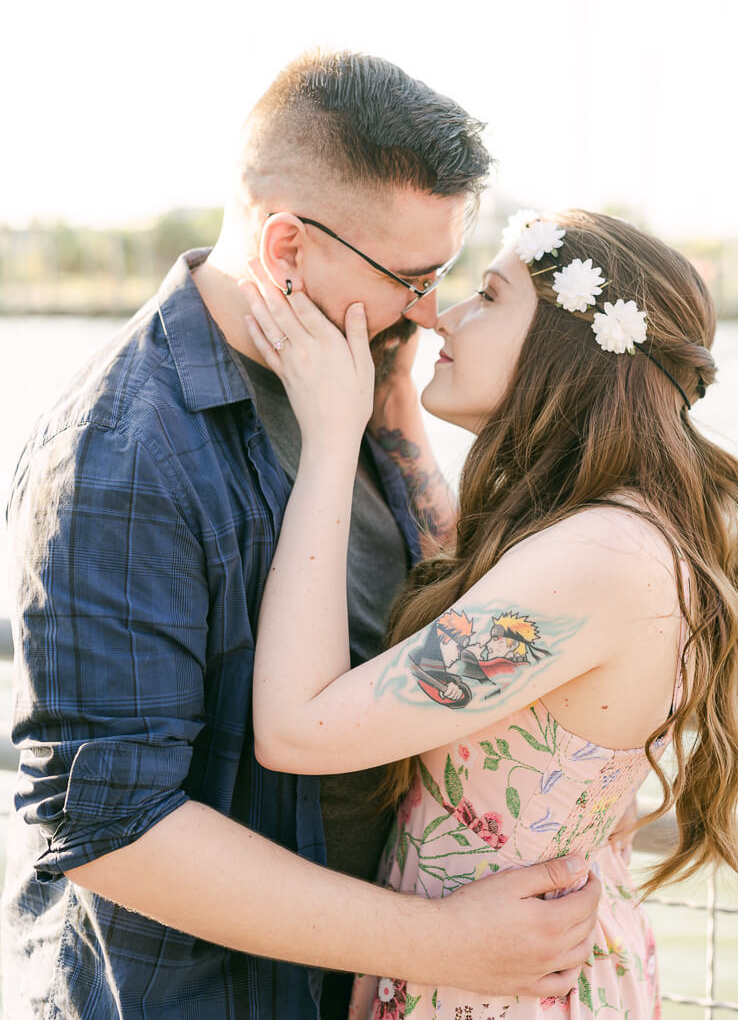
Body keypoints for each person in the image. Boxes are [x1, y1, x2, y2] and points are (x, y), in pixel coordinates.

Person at [1, 53, 601, 1020]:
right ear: (286, 247)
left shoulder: (356, 364)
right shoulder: (121, 454)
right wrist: (441, 942)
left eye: (442, 274)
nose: (428, 307)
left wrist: (399, 416)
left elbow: (436, 611)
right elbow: (110, 825)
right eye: (410, 276)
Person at [240, 207, 738, 1018]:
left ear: (566, 351)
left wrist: (329, 439)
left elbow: (295, 730)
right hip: (516, 965)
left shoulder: (599, 560)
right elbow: (464, 598)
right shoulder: (607, 531)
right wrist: (396, 415)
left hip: (496, 989)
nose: (441, 315)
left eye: (488, 296)